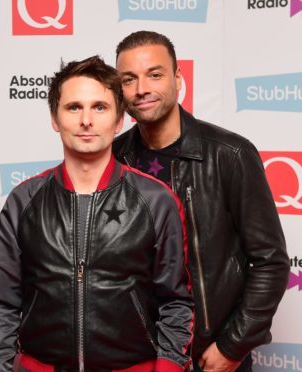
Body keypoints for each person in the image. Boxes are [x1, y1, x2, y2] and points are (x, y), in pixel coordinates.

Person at [0, 55, 193, 372]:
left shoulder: (156, 200)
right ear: (55, 118)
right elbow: (2, 302)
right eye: (73, 107)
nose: (86, 121)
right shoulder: (24, 200)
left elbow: (176, 302)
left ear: (119, 119)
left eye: (99, 107)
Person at [113, 31, 290, 372]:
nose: (141, 89)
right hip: (137, 357)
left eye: (155, 74)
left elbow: (270, 261)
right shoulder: (113, 160)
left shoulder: (230, 155)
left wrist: (232, 346)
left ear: (178, 79)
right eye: (128, 79)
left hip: (209, 357)